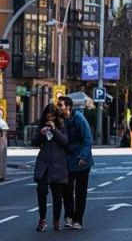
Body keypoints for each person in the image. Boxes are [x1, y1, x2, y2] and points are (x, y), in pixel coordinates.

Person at [31, 103, 68, 232]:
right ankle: (42, 220)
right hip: (44, 165)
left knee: (57, 196)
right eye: (48, 117)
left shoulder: (62, 126)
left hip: (59, 165)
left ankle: (57, 221)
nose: (50, 120)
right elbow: (34, 142)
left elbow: (65, 141)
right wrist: (41, 134)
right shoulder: (42, 126)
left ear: (56, 117)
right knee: (41, 192)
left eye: (52, 117)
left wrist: (54, 130)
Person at [59, 96, 93, 230]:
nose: (58, 107)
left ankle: (78, 219)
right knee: (66, 190)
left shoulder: (79, 119)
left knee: (80, 191)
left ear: (68, 107)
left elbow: (88, 139)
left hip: (82, 161)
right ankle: (69, 216)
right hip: (67, 160)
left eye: (60, 105)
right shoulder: (60, 120)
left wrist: (83, 156)